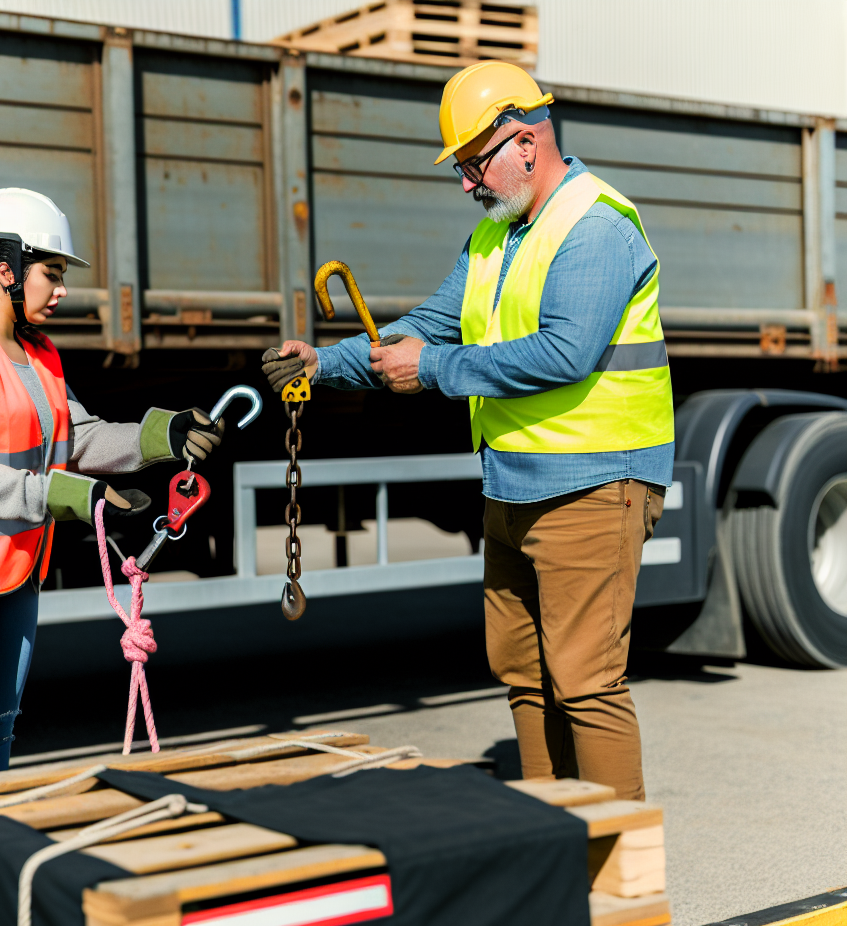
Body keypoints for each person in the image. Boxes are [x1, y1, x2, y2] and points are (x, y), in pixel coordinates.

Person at [261, 63, 674, 800]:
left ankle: (619, 873)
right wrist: (324, 362)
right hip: (515, 481)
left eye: (471, 162)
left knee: (585, 680)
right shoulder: (496, 237)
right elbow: (423, 330)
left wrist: (436, 371)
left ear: (524, 141)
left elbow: (564, 352)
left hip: (595, 481)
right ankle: (552, 835)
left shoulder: (595, 226)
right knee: (521, 666)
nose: (466, 182)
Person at [0, 188, 225, 785]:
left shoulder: (37, 355)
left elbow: (79, 436)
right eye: (52, 273)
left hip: (11, 567)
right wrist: (64, 495)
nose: (62, 290)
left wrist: (165, 434)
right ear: (6, 268)